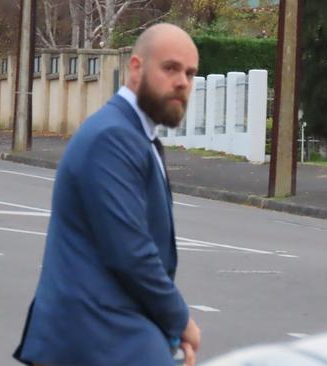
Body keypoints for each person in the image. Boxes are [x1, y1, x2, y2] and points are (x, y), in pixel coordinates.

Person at [13, 23, 201, 366]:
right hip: (93, 340)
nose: (182, 82)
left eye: (190, 73)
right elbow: (130, 252)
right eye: (171, 68)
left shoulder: (135, 136)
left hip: (109, 336)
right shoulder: (113, 137)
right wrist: (180, 321)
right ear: (136, 68)